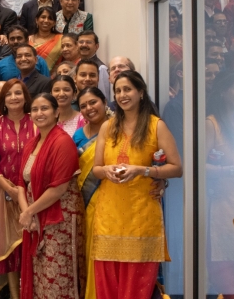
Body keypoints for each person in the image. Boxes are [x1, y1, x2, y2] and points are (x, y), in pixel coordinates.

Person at [87, 70, 182, 298]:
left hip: (141, 216)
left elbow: (177, 168)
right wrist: (106, 170)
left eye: (127, 89)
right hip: (108, 218)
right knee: (107, 289)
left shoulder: (155, 126)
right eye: (118, 91)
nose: (122, 95)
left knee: (136, 290)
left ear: (140, 92)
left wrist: (144, 170)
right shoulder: (108, 127)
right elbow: (96, 169)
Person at [16, 93, 82, 299]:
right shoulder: (31, 144)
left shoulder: (63, 143)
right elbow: (21, 184)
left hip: (58, 219)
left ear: (56, 113)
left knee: (58, 276)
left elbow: (59, 188)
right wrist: (28, 215)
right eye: (35, 109)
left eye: (44, 108)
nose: (39, 113)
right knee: (39, 275)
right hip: (34, 218)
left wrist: (30, 212)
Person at [0, 79, 36, 299]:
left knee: (30, 245)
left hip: (35, 194)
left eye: (18, 93)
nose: (14, 97)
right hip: (3, 194)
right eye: (9, 94)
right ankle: (16, 296)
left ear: (26, 97)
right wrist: (10, 189)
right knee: (11, 249)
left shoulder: (36, 122)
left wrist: (24, 191)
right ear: (3, 100)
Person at [204, 70, 234, 294]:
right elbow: (197, 165)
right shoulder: (212, 123)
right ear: (224, 91)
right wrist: (228, 170)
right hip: (223, 207)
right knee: (229, 277)